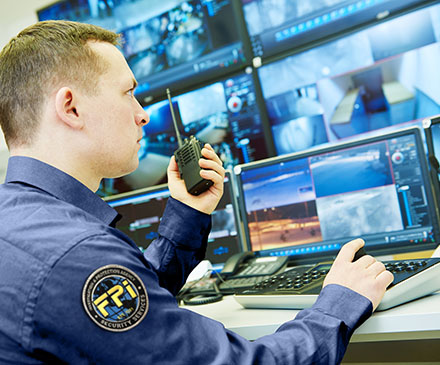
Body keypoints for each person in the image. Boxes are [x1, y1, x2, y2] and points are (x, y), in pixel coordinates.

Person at [0, 20, 393, 364]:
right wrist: (338, 303)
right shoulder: (75, 252)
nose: (143, 113)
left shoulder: (20, 223)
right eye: (128, 93)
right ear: (70, 108)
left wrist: (186, 213)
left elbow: (124, 314)